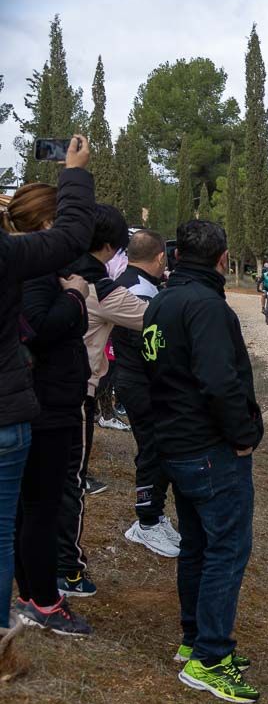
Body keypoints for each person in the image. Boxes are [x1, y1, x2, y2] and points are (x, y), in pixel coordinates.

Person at [142, 220, 262, 704]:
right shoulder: (208, 307)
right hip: (210, 448)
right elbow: (219, 381)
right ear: (223, 259)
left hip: (175, 444)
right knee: (226, 551)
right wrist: (244, 435)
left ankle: (194, 639)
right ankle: (210, 658)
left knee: (196, 547)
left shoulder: (162, 300)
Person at [0, 135, 94, 651]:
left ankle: (33, 592)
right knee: (38, 507)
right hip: (42, 405)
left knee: (28, 508)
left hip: (38, 400)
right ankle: (40, 599)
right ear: (44, 227)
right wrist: (77, 300)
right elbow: (39, 324)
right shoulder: (34, 271)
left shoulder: (33, 265)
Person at [58, 204, 136, 597]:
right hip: (77, 391)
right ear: (110, 247)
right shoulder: (99, 287)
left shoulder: (55, 266)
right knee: (72, 481)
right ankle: (67, 570)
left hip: (40, 387)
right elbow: (151, 316)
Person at [112, 230, 177, 557]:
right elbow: (150, 343)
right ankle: (147, 521)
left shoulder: (131, 282)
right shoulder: (138, 290)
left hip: (134, 380)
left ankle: (154, 515)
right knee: (153, 448)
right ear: (160, 257)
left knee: (156, 446)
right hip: (140, 383)